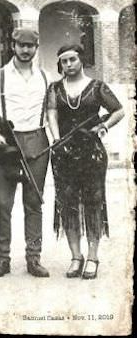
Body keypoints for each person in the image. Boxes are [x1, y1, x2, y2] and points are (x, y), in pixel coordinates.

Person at [46, 44, 124, 279]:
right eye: (64, 61)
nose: (68, 65)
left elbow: (118, 111)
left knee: (93, 203)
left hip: (92, 152)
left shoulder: (97, 86)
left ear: (81, 60)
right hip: (64, 153)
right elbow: (51, 113)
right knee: (67, 204)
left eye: (72, 60)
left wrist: (103, 127)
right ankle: (75, 257)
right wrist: (57, 139)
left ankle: (92, 257)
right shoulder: (54, 88)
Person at [0, 27, 52, 278]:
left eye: (30, 46)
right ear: (12, 46)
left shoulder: (45, 76)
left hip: (37, 140)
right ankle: (2, 259)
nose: (25, 50)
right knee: (2, 204)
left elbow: (51, 111)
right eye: (20, 45)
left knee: (34, 202)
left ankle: (34, 258)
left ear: (36, 48)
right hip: (7, 142)